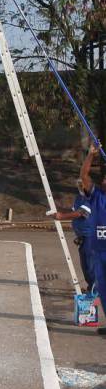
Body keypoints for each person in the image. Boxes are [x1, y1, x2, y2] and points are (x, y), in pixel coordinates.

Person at [78, 142, 106, 333]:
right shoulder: (97, 196)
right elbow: (84, 176)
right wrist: (91, 155)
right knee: (103, 291)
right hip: (98, 251)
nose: (104, 180)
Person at [51, 180, 95, 290]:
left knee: (89, 264)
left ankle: (95, 288)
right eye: (79, 186)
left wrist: (61, 217)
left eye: (83, 185)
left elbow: (81, 212)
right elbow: (72, 210)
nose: (81, 187)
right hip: (83, 237)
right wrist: (58, 208)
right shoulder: (79, 197)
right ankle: (92, 287)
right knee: (85, 264)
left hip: (91, 236)